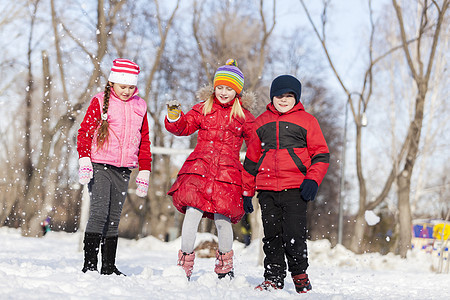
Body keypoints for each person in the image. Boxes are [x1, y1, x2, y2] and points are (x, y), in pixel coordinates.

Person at [165, 59, 256, 280]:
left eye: (229, 88)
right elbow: (184, 127)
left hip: (227, 174)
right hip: (200, 169)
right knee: (192, 214)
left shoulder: (243, 116)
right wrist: (175, 117)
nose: (223, 92)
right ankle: (183, 264)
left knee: (223, 220)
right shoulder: (203, 109)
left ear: (237, 91)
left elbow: (256, 144)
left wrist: (249, 181)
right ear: (214, 88)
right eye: (220, 87)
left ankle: (225, 267)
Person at [244, 75, 329, 293]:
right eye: (280, 95)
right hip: (267, 189)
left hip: (295, 188)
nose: (284, 100)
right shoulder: (260, 122)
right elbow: (252, 159)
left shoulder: (308, 121)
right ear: (272, 96)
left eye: (289, 96)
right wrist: (246, 191)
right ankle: (273, 277)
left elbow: (321, 154)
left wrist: (312, 179)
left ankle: (300, 275)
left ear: (296, 98)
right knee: (271, 235)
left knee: (294, 234)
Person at [77, 58, 152, 276]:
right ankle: (90, 265)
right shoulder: (100, 102)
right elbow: (84, 132)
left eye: (131, 87)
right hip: (99, 165)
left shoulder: (140, 106)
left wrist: (145, 169)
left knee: (113, 217)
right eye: (123, 86)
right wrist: (84, 158)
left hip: (123, 168)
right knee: (99, 212)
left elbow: (144, 140)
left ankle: (108, 266)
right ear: (112, 84)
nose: (127, 91)